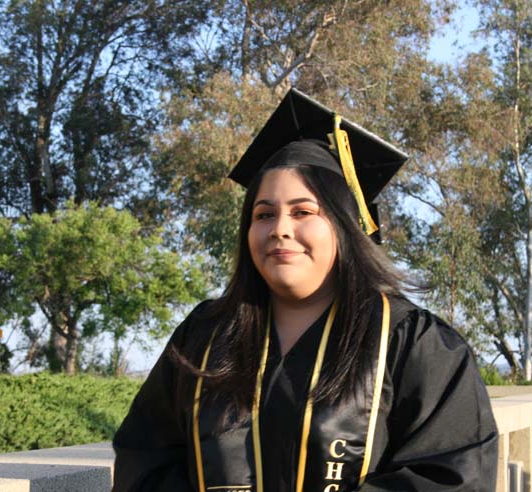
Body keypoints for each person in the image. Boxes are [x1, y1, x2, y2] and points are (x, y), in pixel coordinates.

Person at [112, 89, 498, 492]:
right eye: (264, 214)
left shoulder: (411, 343)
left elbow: (454, 476)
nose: (279, 228)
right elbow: (145, 461)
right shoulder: (206, 337)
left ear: (345, 226)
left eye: (303, 212)